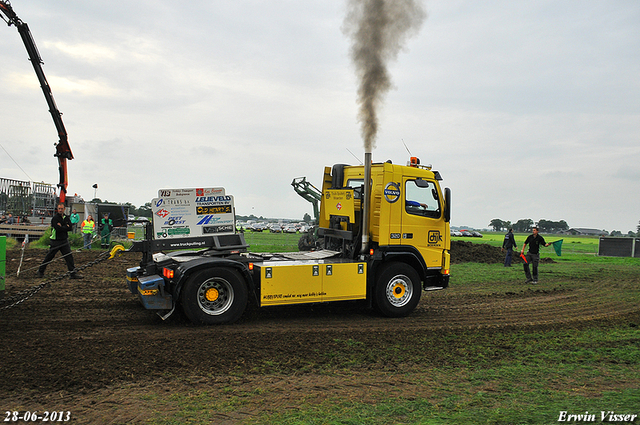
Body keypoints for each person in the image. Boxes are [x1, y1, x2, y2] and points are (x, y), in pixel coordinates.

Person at [37, 203, 82, 279]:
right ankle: (40, 271)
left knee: (69, 257)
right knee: (49, 256)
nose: (60, 210)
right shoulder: (55, 218)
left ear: (64, 209)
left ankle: (73, 273)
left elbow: (70, 228)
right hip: (55, 241)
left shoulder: (66, 218)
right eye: (59, 208)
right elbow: (58, 228)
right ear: (57, 209)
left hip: (64, 240)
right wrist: (65, 227)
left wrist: (62, 226)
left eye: (62, 208)